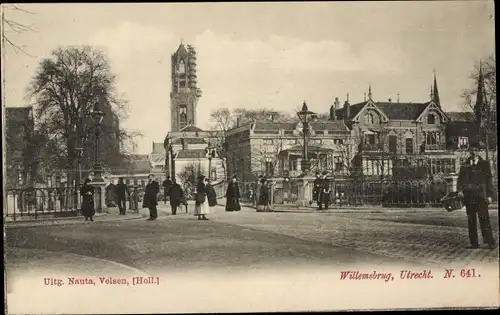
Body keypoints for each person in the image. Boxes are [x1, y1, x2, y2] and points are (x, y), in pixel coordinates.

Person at [457, 143, 496, 250]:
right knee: (471, 220)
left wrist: (489, 195)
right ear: (469, 151)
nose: (473, 152)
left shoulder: (484, 164)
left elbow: (489, 180)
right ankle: (474, 243)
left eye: (475, 149)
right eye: (471, 150)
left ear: (478, 151)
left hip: (481, 196)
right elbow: (460, 179)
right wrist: (460, 190)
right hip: (469, 197)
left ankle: (490, 242)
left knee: (484, 219)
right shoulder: (465, 164)